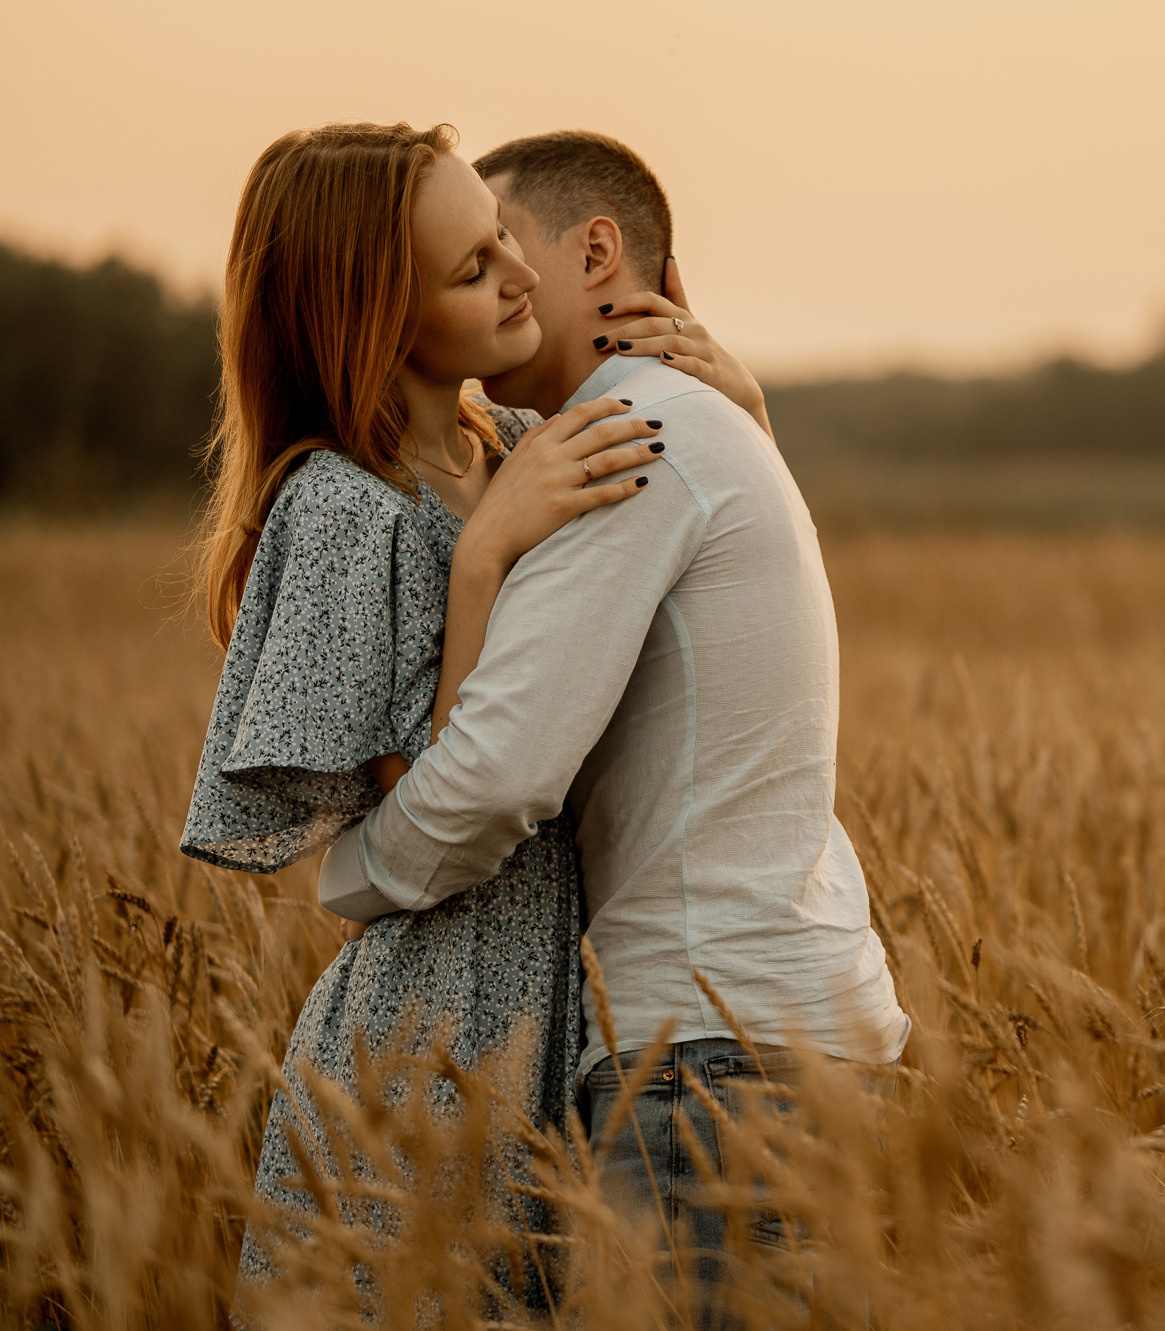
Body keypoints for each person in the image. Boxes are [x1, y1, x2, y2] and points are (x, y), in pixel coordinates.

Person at [178, 121, 769, 1312]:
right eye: (470, 269)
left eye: (501, 236)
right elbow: (422, 804)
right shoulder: (340, 506)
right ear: (379, 318)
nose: (517, 274)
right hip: (430, 1034)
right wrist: (483, 556)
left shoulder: (518, 441)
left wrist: (744, 421)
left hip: (571, 1005)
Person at [316, 131, 911, 1296]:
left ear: (596, 249)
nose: (505, 281)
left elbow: (493, 781)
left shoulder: (622, 441)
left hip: (711, 1061)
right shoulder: (693, 428)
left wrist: (348, 872)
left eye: (505, 244)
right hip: (795, 1034)